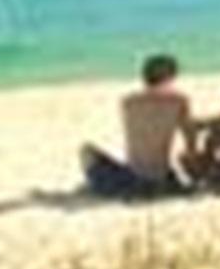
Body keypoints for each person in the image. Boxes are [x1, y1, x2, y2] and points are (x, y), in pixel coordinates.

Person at [81, 52, 192, 200]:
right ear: (170, 77)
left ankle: (104, 188)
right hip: (160, 178)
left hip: (131, 177)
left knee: (86, 150)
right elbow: (190, 137)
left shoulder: (128, 102)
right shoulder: (179, 101)